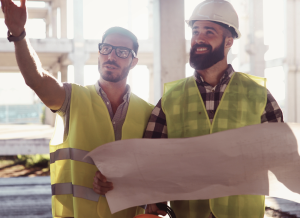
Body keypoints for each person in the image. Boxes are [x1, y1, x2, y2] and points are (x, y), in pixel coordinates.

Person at [1, 0, 153, 217]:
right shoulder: (73, 98)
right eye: (106, 49)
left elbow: (154, 174)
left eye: (122, 52)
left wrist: (124, 181)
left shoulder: (149, 113)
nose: (111, 56)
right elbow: (37, 79)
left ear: (134, 61)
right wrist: (18, 34)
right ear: (99, 53)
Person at [143, 1, 283, 218]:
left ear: (229, 41)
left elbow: (280, 154)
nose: (199, 37)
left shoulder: (258, 95)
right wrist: (154, 195)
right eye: (196, 31)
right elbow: (151, 156)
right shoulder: (172, 98)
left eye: (209, 31)